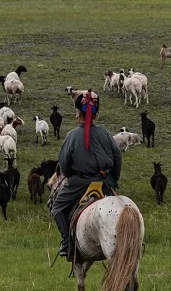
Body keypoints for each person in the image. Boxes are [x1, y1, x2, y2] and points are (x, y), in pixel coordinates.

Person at [51, 89, 122, 260]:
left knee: (57, 207)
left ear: (79, 113)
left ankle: (67, 243)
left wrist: (69, 175)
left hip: (79, 183)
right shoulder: (105, 133)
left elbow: (65, 165)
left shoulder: (72, 136)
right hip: (103, 181)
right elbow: (117, 155)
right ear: (95, 115)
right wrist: (112, 179)